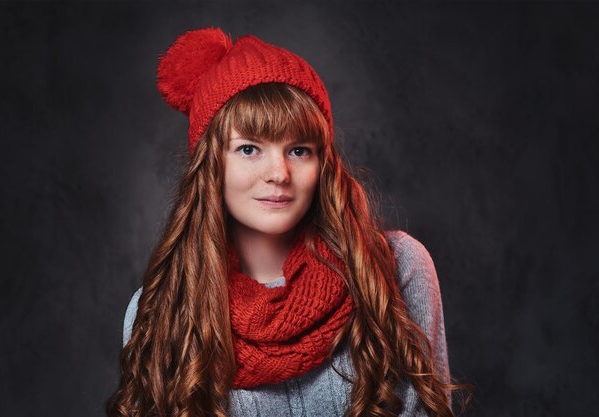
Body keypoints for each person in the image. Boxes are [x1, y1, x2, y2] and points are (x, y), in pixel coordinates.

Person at [108, 27, 462, 417]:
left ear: (323, 164)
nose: (278, 172)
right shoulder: (160, 309)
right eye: (248, 148)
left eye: (298, 150)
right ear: (211, 165)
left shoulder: (396, 267)